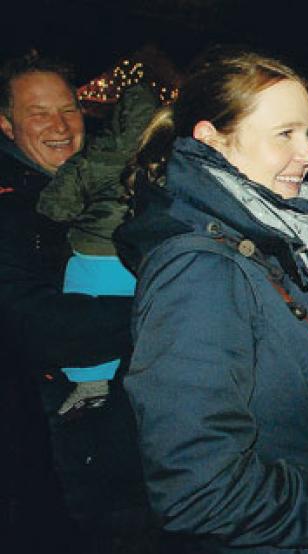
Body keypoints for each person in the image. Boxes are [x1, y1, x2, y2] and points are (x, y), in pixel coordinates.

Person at [115, 48, 308, 553]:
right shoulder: (200, 269)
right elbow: (200, 491)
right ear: (211, 139)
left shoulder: (268, 231)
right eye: (285, 134)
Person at [0, 53, 151, 552]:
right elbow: (29, 323)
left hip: (116, 428)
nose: (61, 125)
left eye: (69, 109)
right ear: (6, 124)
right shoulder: (12, 206)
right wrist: (162, 313)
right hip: (48, 444)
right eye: (39, 113)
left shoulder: (111, 182)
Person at [37, 82, 158, 419]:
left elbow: (58, 205)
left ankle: (90, 384)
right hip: (144, 257)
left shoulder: (97, 151)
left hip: (96, 250)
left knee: (85, 311)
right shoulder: (166, 152)